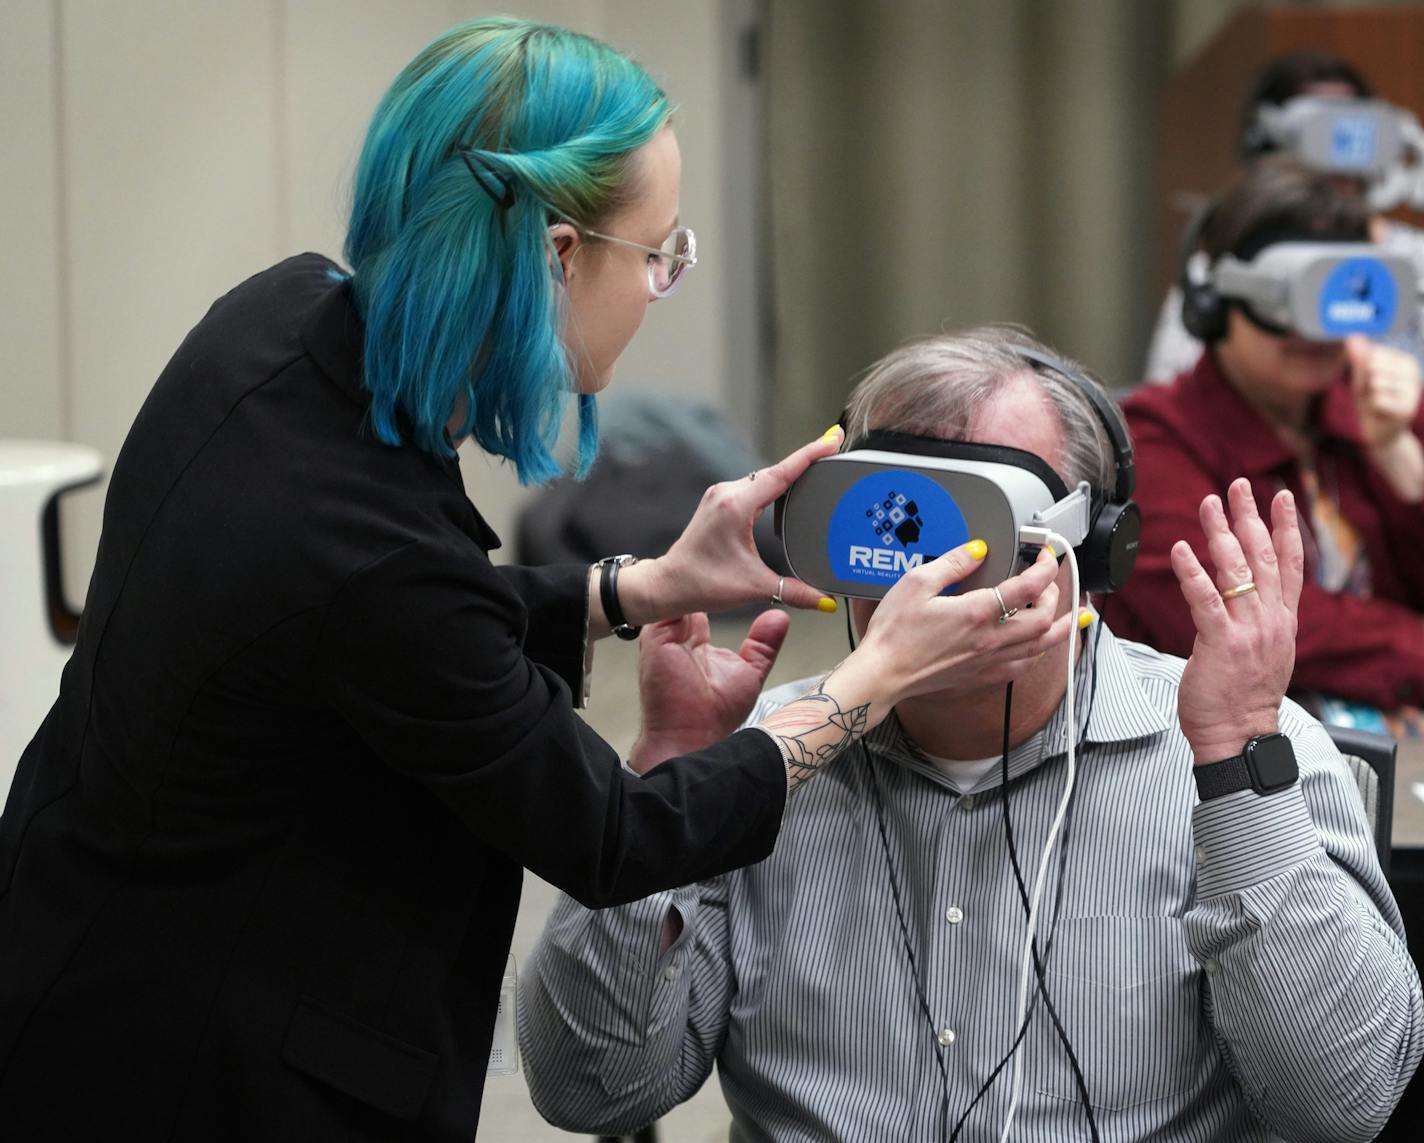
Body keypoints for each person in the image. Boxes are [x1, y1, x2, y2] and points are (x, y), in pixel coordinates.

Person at [0, 20, 1072, 1143]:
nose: (662, 285)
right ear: (560, 256)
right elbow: (616, 834)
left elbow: (358, 634)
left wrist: (637, 586)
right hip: (197, 1068)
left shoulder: (282, 321)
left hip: (78, 942)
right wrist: (869, 682)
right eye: (658, 254)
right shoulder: (363, 549)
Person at [519, 327, 1423, 1142]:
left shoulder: (1238, 751)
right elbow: (590, 1091)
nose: (930, 582)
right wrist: (669, 782)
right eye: (895, 519)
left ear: (1094, 548)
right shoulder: (751, 758)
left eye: (979, 532)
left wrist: (1236, 767)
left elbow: (1340, 1106)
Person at [1118, 158, 1424, 731]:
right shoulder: (1153, 439)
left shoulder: (1386, 409)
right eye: (1289, 298)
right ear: (1216, 300)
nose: (1312, 331)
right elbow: (1234, 616)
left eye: (1333, 294)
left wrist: (1401, 462)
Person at [1145, 49, 1424, 384]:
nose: (1337, 164)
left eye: (1351, 137)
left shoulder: (1415, 261)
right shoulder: (1222, 273)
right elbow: (1170, 385)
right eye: (1321, 137)